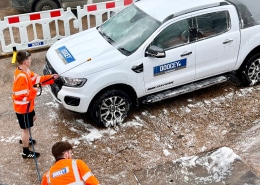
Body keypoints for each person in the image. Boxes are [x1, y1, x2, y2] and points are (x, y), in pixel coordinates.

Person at [12, 50, 58, 159]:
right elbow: (21, 95)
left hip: (28, 106)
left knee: (32, 120)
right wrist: (34, 90)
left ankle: (26, 139)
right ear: (25, 62)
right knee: (26, 129)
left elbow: (37, 79)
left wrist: (51, 78)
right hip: (23, 108)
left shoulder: (26, 71)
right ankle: (25, 151)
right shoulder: (21, 77)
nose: (31, 60)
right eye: (29, 59)